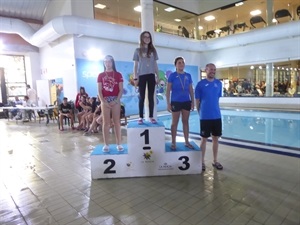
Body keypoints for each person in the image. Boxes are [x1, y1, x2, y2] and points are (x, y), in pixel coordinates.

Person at [195, 63, 223, 171]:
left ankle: (215, 161)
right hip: (205, 116)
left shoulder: (218, 83)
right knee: (204, 139)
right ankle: (201, 162)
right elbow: (197, 101)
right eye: (211, 69)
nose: (213, 71)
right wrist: (200, 113)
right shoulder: (200, 84)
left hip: (216, 116)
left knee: (216, 138)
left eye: (214, 69)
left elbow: (217, 98)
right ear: (206, 70)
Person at [166, 57, 194, 150]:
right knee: (175, 123)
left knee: (185, 122)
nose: (181, 64)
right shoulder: (172, 76)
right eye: (179, 63)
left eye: (182, 62)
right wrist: (168, 103)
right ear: (176, 65)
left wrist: (192, 102)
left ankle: (187, 141)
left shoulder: (188, 76)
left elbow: (191, 90)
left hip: (186, 101)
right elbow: (168, 90)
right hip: (176, 102)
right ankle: (173, 142)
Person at [98, 55, 124, 152]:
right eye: (105, 62)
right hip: (105, 100)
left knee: (117, 122)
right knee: (106, 123)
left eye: (109, 61)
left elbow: (121, 90)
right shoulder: (100, 75)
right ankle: (106, 144)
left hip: (115, 100)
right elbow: (99, 91)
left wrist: (116, 100)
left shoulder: (118, 75)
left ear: (112, 62)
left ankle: (119, 143)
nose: (107, 64)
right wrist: (103, 102)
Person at [133, 31, 159, 125]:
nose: (147, 39)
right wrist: (135, 78)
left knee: (151, 97)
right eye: (145, 37)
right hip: (142, 76)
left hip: (151, 75)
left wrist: (158, 76)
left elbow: (155, 64)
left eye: (148, 37)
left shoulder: (153, 50)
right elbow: (135, 65)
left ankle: (151, 116)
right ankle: (140, 117)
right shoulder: (137, 50)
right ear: (142, 38)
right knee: (142, 97)